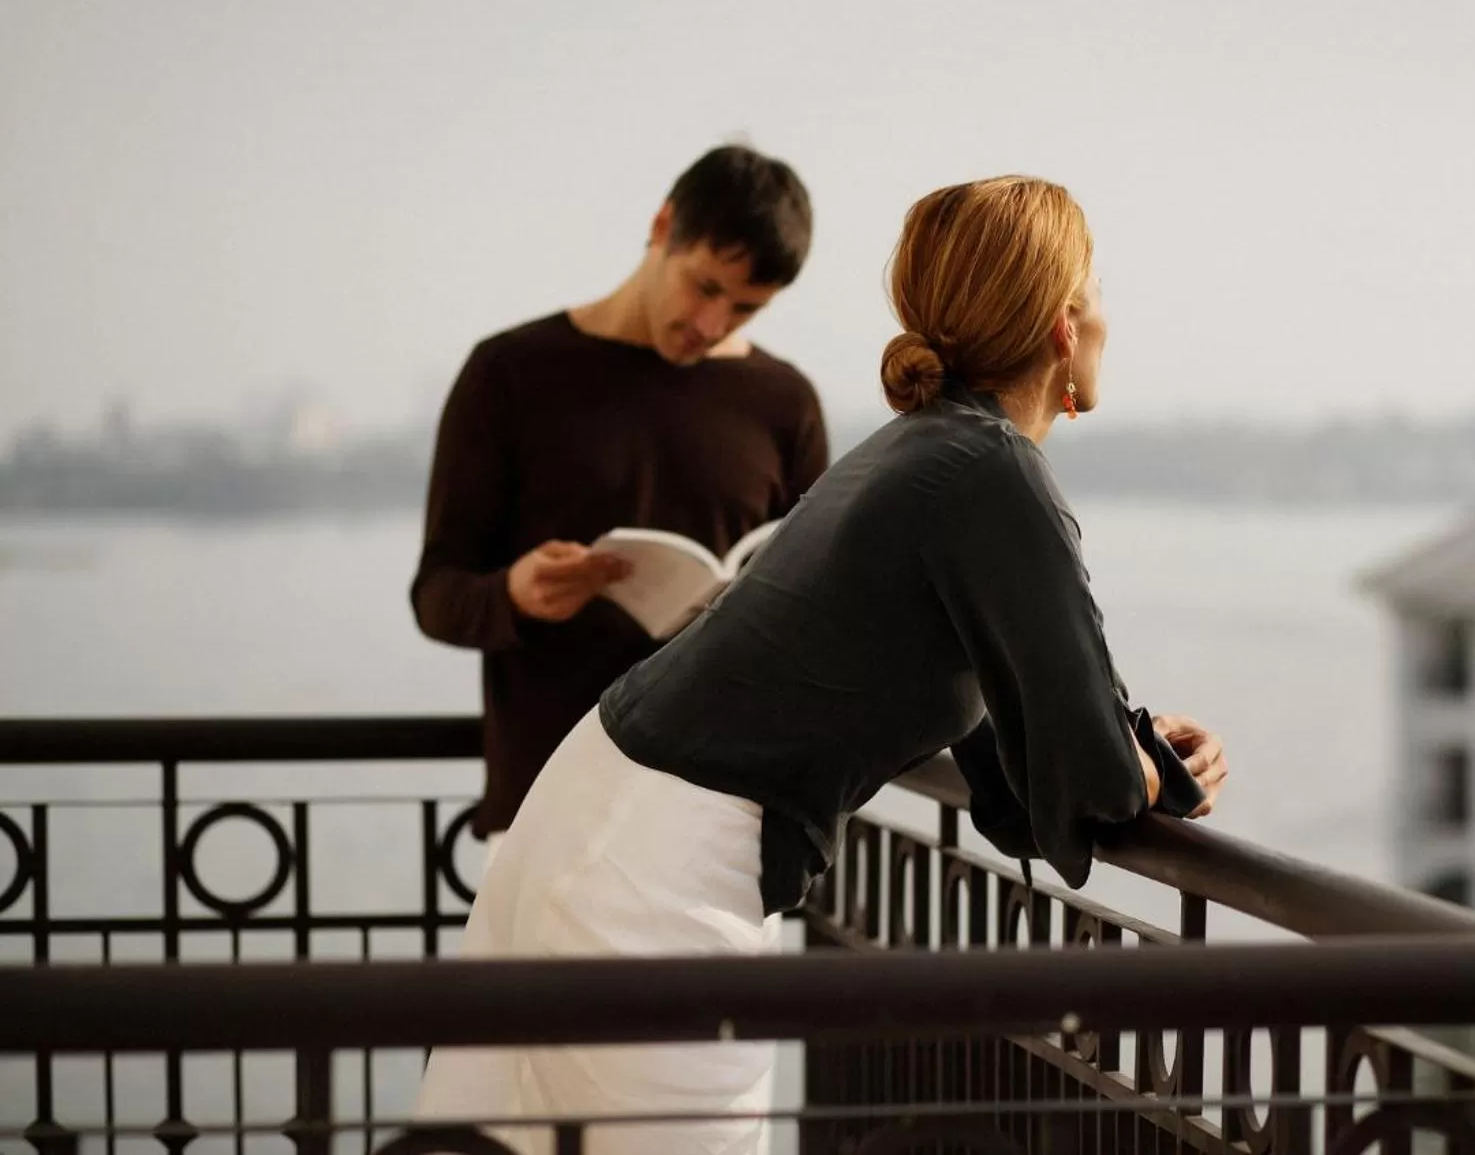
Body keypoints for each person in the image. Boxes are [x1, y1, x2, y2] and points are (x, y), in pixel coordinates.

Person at [414, 175, 1230, 1155]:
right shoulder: (991, 470)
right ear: (1063, 325)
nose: (1105, 315)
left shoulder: (917, 449)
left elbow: (1010, 746)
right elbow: (1089, 783)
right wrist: (1156, 769)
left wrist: (1126, 739)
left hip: (596, 817)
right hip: (656, 872)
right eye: (1096, 291)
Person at [410, 145, 828, 850]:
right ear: (662, 225)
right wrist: (514, 593)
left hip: (718, 821)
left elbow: (824, 610)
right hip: (546, 814)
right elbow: (436, 593)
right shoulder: (508, 374)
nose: (711, 322)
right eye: (704, 286)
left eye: (746, 308)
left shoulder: (785, 404)